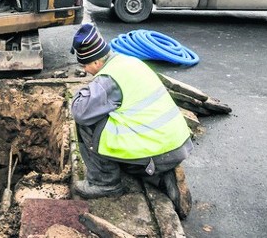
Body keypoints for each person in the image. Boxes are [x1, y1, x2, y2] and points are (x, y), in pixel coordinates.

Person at [69, 23, 194, 219]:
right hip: (175, 144)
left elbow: (79, 111)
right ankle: (163, 178)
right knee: (111, 124)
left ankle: (104, 183)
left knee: (87, 121)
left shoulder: (108, 80)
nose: (85, 71)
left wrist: (85, 91)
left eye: (84, 65)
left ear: (95, 62)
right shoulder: (129, 62)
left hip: (156, 149)